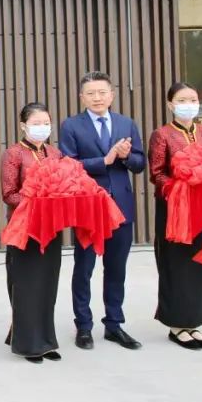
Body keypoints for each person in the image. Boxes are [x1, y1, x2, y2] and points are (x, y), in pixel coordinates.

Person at [59, 72, 145, 351]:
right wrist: (104, 160)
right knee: (84, 268)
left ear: (112, 95)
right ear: (81, 97)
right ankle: (84, 326)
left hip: (121, 206)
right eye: (91, 93)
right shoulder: (71, 125)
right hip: (88, 206)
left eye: (102, 92)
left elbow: (140, 163)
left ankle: (114, 324)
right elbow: (68, 165)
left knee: (116, 269)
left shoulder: (125, 123)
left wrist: (126, 156)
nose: (97, 98)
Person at [148, 82, 202, 351]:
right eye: (182, 100)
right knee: (175, 263)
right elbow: (157, 173)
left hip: (201, 207)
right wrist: (180, 185)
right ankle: (176, 325)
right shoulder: (162, 134)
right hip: (174, 208)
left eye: (193, 99)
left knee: (198, 262)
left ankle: (194, 322)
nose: (189, 104)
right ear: (170, 104)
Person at [0, 103, 63, 363]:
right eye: (36, 124)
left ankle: (45, 340)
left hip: (51, 228)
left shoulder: (55, 153)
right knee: (26, 285)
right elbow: (9, 194)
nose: (42, 128)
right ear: (23, 126)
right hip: (24, 228)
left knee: (48, 284)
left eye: (46, 123)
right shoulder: (14, 154)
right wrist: (36, 201)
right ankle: (28, 342)